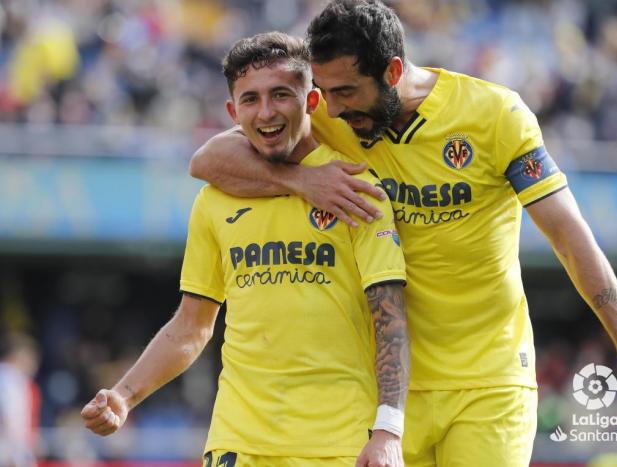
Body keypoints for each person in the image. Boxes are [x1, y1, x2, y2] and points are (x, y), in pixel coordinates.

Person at [188, 1, 617, 466]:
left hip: (488, 380)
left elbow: (570, 238)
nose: (331, 107)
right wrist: (299, 179)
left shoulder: (495, 115)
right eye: (326, 92)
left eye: (347, 92)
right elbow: (206, 160)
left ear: (392, 72)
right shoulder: (334, 115)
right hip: (388, 390)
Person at [81, 32, 410, 467]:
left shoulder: (356, 190)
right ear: (234, 113)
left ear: (311, 102)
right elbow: (192, 325)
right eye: (251, 100)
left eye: (281, 95)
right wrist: (124, 396)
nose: (267, 112)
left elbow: (389, 318)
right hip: (238, 442)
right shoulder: (216, 199)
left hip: (337, 443)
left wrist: (388, 430)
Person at [0, 333, 41, 467]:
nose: (34, 363)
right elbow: (11, 418)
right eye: (31, 357)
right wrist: (17, 455)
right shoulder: (10, 377)